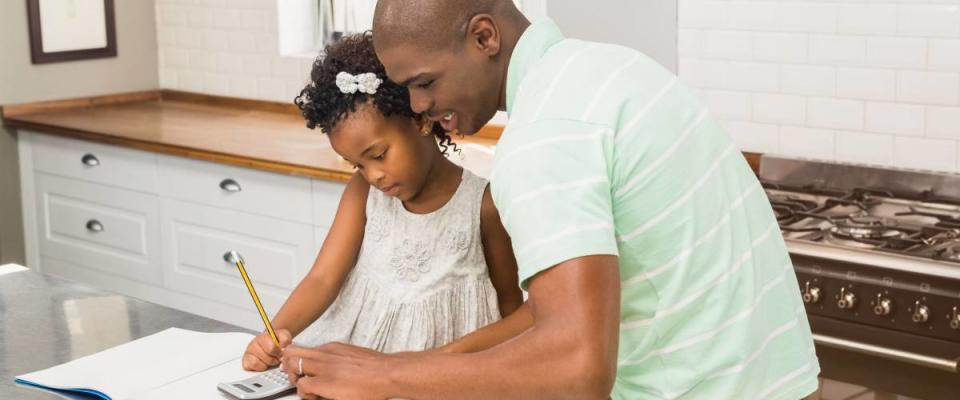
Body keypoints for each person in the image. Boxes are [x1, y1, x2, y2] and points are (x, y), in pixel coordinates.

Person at [280, 1, 820, 399]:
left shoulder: (544, 137)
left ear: (484, 37)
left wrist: (386, 378)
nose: (419, 104)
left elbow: (576, 366)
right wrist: (419, 362)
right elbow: (563, 308)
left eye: (425, 82)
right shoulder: (608, 70)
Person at [240, 32, 523, 372]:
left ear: (420, 120)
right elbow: (323, 278)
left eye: (379, 155)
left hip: (435, 375)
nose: (372, 175)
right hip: (356, 359)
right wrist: (276, 332)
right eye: (358, 164)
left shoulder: (484, 205)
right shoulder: (363, 192)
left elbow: (511, 309)